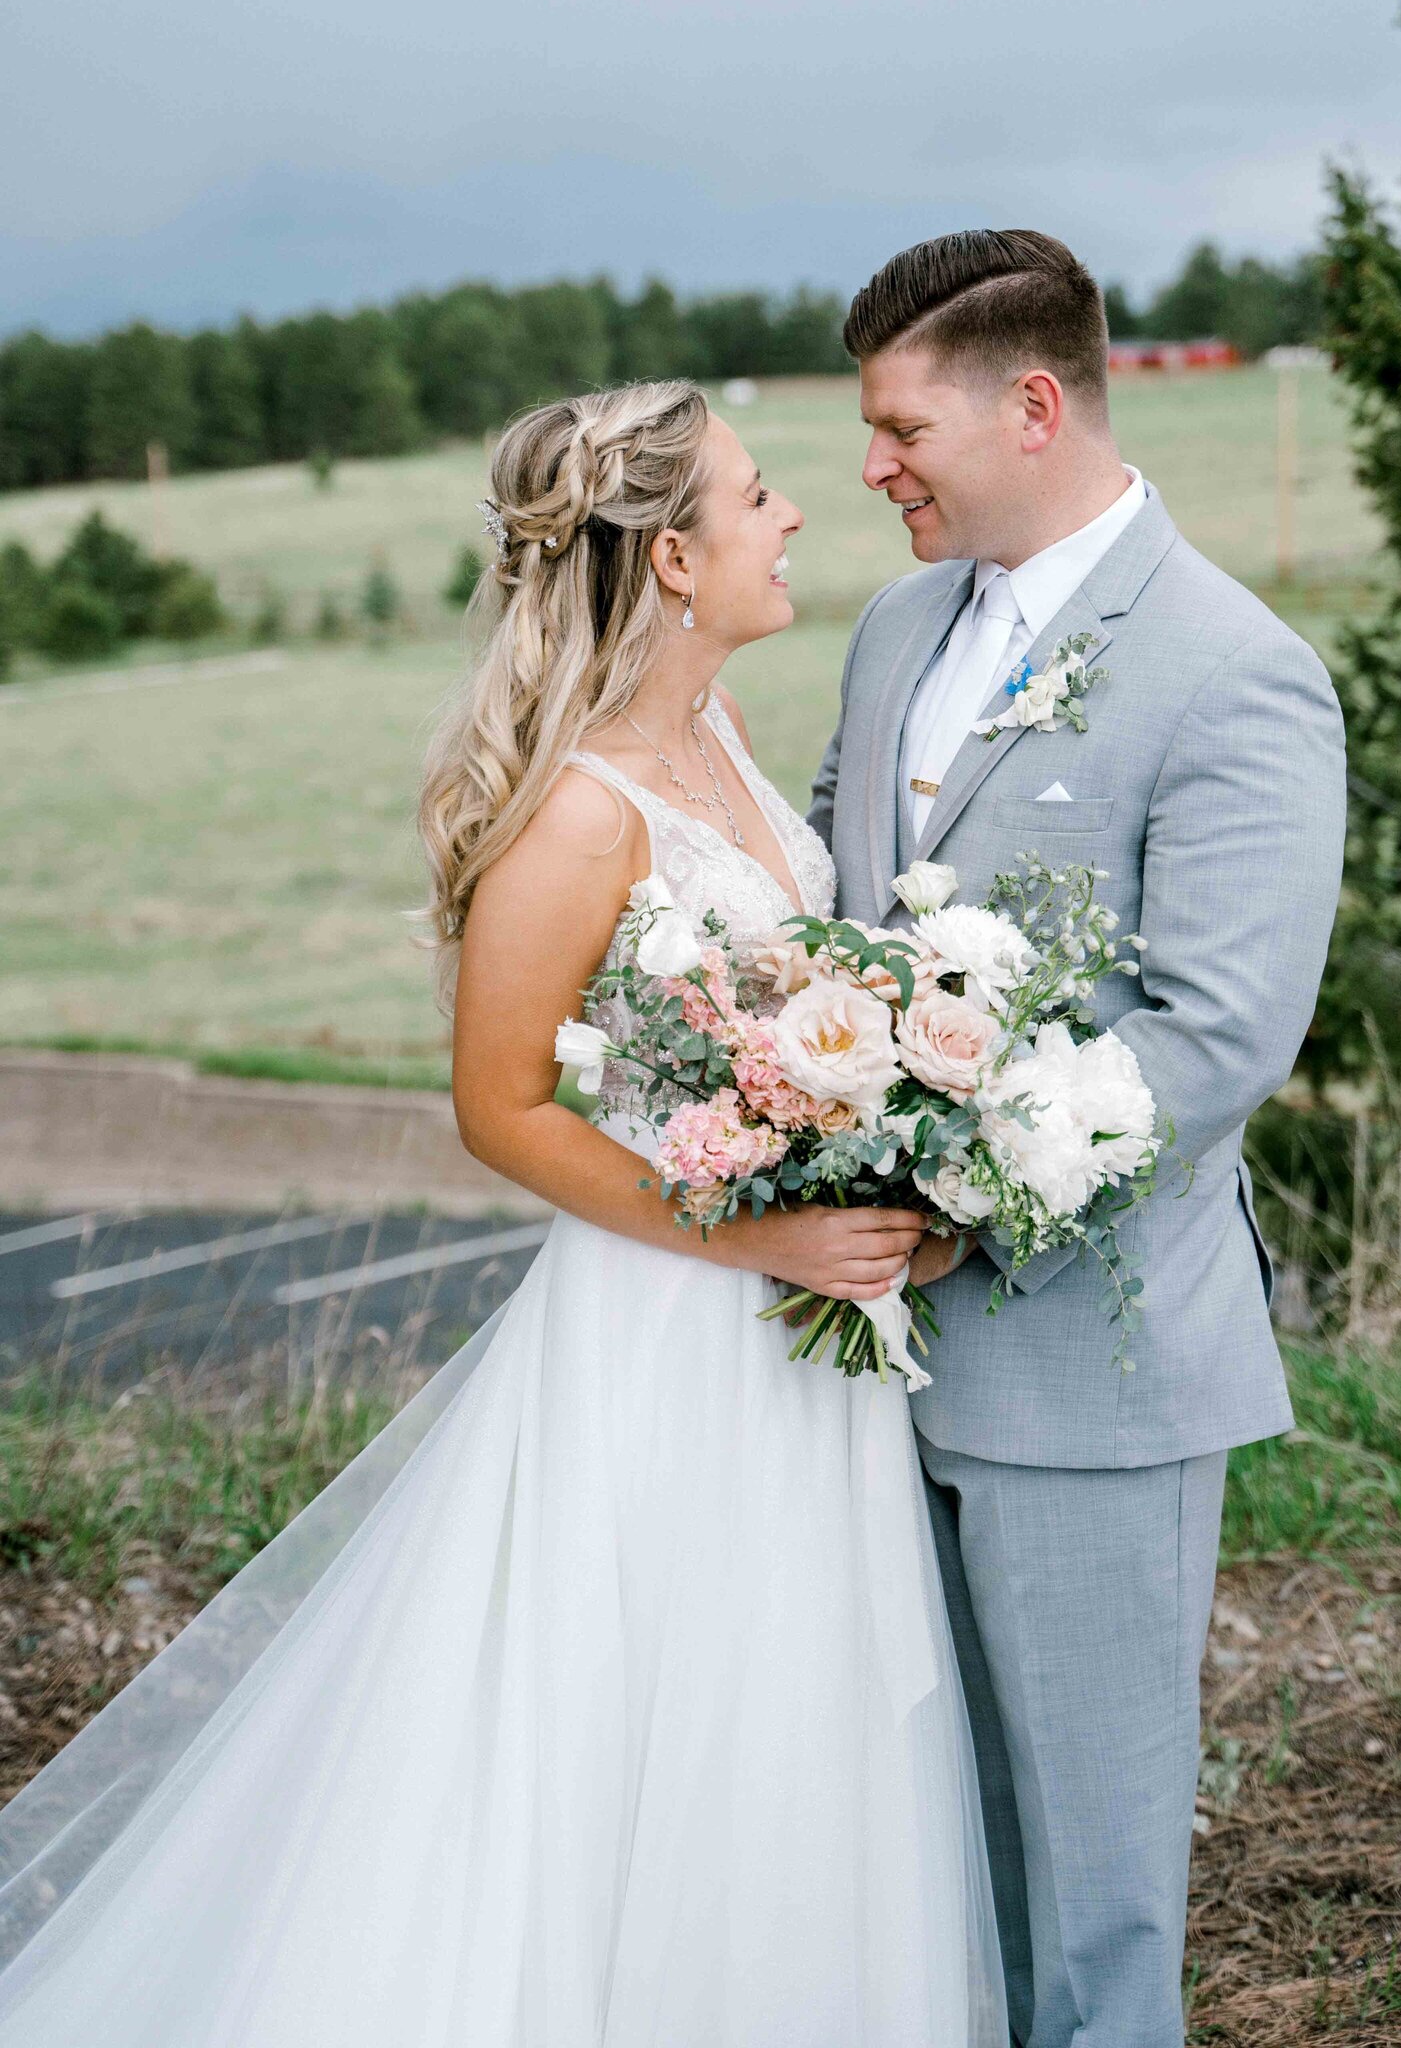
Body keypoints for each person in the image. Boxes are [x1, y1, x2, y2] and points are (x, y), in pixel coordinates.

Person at [0, 379, 1007, 2047]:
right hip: (665, 1337)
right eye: (757, 498)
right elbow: (499, 1108)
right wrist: (755, 1237)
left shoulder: (724, 745)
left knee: (788, 1717)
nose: (794, 517)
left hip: (792, 1324)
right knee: (639, 1719)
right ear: (673, 559)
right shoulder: (580, 807)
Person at [810, 228, 1347, 2048]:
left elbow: (1214, 1033)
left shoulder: (1233, 673)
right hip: (857, 1352)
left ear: (1032, 406)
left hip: (1087, 1362)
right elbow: (834, 914)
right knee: (935, 1842)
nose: (873, 471)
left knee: (1096, 1880)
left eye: (899, 429)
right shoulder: (897, 626)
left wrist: (956, 1204)